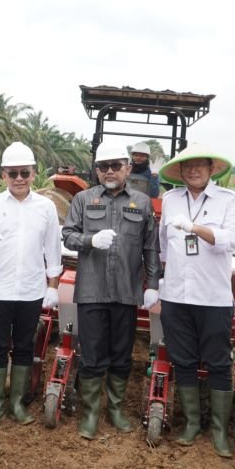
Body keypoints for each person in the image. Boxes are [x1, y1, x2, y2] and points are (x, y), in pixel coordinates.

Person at [62, 141, 160, 440]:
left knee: (121, 354)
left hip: (126, 291)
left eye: (116, 165)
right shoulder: (82, 198)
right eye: (103, 166)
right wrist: (90, 241)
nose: (110, 171)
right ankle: (90, 413)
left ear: (128, 168)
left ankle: (114, 409)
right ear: (96, 170)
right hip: (92, 290)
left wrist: (153, 285)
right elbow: (68, 236)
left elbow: (150, 248)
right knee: (91, 355)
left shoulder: (142, 203)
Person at [0, 142, 62, 434]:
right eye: (13, 173)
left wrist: (53, 286)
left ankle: (17, 404)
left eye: (24, 172)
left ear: (34, 174)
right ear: (3, 174)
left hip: (31, 290)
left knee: (24, 346)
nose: (19, 178)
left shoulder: (46, 207)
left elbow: (53, 249)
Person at [157, 143, 235, 457]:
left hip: (212, 295)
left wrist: (196, 228)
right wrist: (160, 281)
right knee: (183, 360)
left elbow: (232, 239)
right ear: (180, 171)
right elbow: (164, 246)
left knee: (219, 361)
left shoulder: (228, 200)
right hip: (177, 295)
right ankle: (193, 423)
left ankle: (219, 431)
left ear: (211, 169)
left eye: (199, 165)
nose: (193, 170)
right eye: (187, 166)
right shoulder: (171, 200)